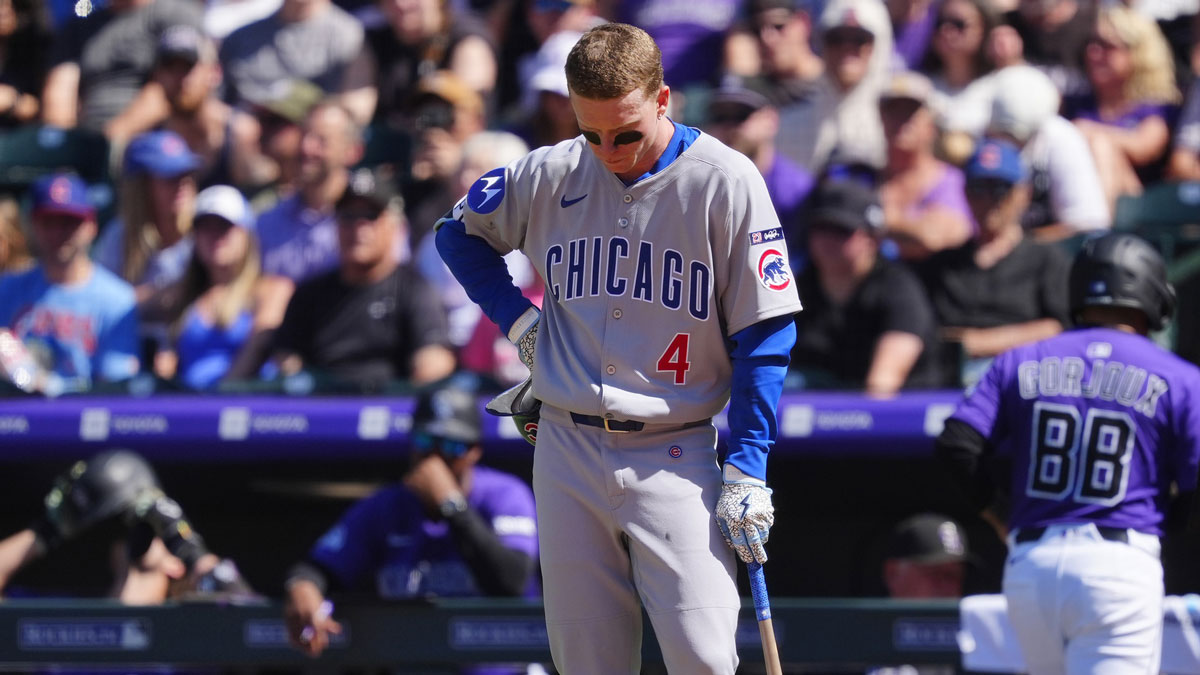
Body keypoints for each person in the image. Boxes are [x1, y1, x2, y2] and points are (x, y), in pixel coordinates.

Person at [435, 23, 801, 673]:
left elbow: (765, 333)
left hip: (676, 447)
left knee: (705, 660)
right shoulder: (551, 170)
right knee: (588, 664)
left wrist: (747, 465)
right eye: (591, 132)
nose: (609, 150)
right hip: (565, 447)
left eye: (625, 132)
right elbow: (456, 233)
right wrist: (522, 327)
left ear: (663, 100)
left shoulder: (725, 180)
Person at [935, 231, 1200, 675]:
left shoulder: (1020, 360)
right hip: (1118, 565)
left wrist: (998, 513)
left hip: (1031, 568)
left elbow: (957, 444)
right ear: (1151, 294)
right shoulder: (1180, 376)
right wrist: (1171, 521)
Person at [282, 375, 539, 664]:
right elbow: (321, 566)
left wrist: (452, 506)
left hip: (501, 667)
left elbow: (512, 583)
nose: (435, 459)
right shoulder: (387, 506)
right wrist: (302, 585)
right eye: (425, 442)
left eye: (452, 447)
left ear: (474, 452)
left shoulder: (504, 495)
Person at [271, 166, 456, 391]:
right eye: (348, 216)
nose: (358, 228)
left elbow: (434, 362)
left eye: (370, 216)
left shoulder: (414, 289)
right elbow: (287, 362)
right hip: (319, 412)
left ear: (394, 224)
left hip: (389, 413)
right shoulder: (310, 294)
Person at [0, 448, 251, 603]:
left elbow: (248, 614)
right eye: (127, 524)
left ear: (175, 565)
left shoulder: (188, 633)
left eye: (154, 527)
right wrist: (50, 531)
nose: (138, 530)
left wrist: (187, 548)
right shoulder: (75, 624)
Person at [915, 139, 1069, 388]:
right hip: (946, 381)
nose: (989, 200)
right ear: (965, 193)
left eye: (1000, 189)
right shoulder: (941, 265)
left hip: (1023, 379)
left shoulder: (1046, 259)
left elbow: (1060, 328)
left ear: (1024, 194)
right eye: (978, 188)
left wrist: (979, 342)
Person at [790, 177, 941, 394]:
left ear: (873, 239)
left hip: (895, 415)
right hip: (820, 398)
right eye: (821, 228)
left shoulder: (898, 288)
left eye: (842, 231)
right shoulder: (799, 286)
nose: (828, 239)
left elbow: (882, 384)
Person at [0, 172, 139, 394]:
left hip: (83, 420)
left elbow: (117, 388)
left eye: (69, 222)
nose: (58, 233)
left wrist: (49, 386)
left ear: (91, 226)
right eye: (48, 221)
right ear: (33, 225)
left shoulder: (118, 299)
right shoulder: (7, 288)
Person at [147, 185, 292, 390]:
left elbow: (257, 349)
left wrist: (220, 397)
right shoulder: (183, 294)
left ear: (246, 234)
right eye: (205, 227)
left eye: (224, 226)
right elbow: (126, 304)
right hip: (191, 406)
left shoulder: (271, 290)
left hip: (248, 407)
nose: (215, 236)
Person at [93, 129, 202, 307]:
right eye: (170, 177)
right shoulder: (118, 236)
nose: (182, 184)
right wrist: (158, 296)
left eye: (186, 174)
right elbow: (101, 302)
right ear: (141, 187)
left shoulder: (205, 229)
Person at [876, 70, 973, 261]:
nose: (901, 122)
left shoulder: (951, 181)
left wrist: (878, 221)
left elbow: (934, 237)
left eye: (910, 112)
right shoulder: (866, 177)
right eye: (893, 111)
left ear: (932, 123)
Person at [882, 512, 970, 599]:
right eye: (935, 573)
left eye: (953, 576)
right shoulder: (870, 613)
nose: (946, 585)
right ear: (892, 573)